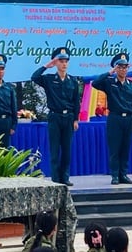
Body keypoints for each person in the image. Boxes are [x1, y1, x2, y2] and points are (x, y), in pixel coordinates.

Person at [31, 47, 80, 187]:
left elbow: (76, 101)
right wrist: (47, 66)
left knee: (66, 149)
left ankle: (65, 177)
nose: (64, 64)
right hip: (55, 117)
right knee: (54, 149)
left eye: (66, 61)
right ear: (56, 62)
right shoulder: (49, 79)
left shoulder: (73, 81)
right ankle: (56, 178)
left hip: (69, 118)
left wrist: (76, 119)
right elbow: (34, 77)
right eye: (61, 61)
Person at [92, 53, 132, 185]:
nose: (123, 70)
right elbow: (95, 83)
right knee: (115, 148)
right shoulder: (109, 82)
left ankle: (123, 174)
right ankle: (115, 176)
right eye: (120, 67)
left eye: (125, 67)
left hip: (128, 119)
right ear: (116, 68)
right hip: (115, 119)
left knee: (125, 148)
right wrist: (109, 72)